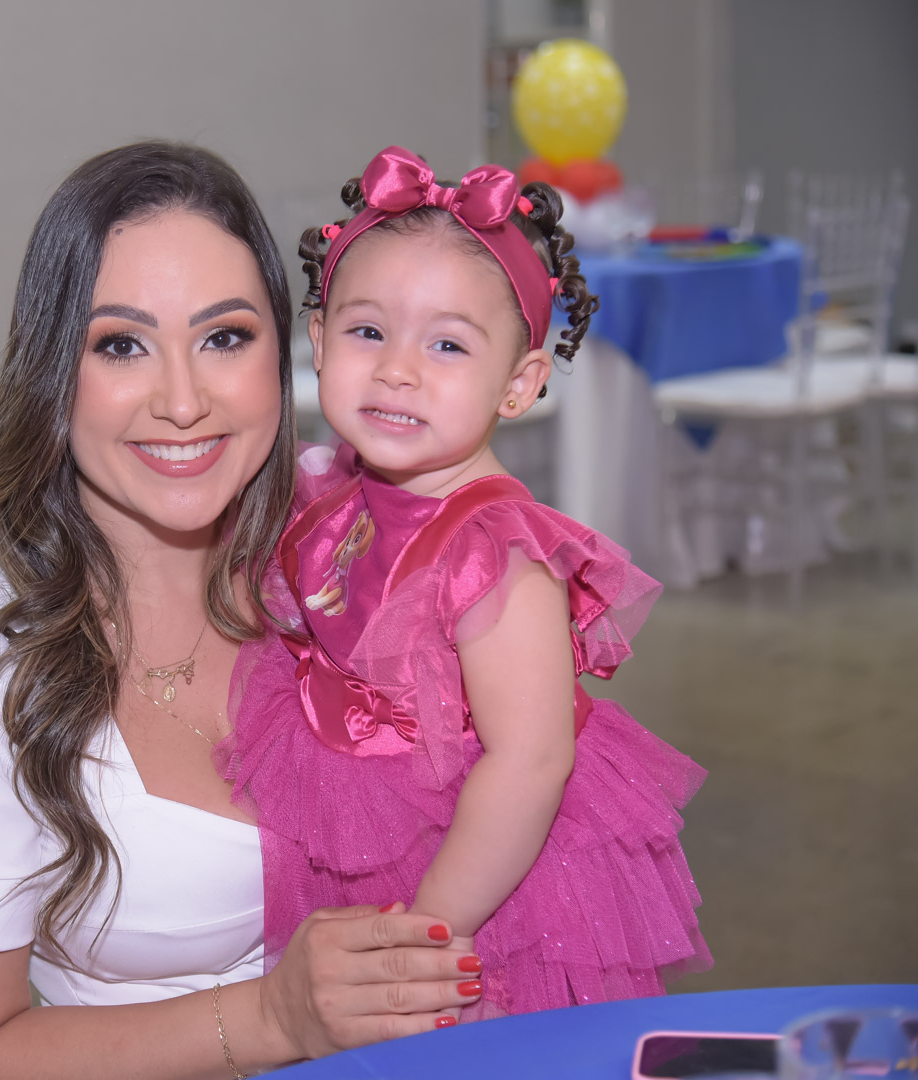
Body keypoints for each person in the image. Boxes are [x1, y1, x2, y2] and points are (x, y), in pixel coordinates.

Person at [0, 142, 484, 1080]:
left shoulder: (348, 552)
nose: (184, 402)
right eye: (121, 345)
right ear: (52, 373)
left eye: (224, 337)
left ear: (291, 351)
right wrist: (273, 1019)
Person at [220, 145, 712, 1020]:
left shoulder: (496, 551)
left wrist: (426, 936)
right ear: (320, 341)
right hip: (351, 818)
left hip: (475, 873)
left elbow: (530, 761)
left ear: (518, 385)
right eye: (368, 332)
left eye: (447, 344)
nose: (398, 369)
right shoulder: (329, 485)